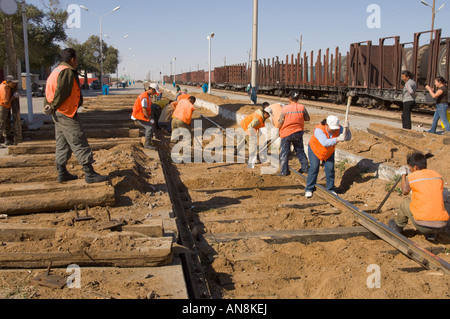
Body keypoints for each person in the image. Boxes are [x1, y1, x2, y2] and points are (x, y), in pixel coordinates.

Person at [44, 48, 109, 184]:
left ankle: (62, 172)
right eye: (77, 59)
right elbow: (62, 91)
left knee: (62, 143)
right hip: (65, 112)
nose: (77, 62)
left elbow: (49, 91)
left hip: (59, 113)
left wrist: (49, 105)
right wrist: (54, 105)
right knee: (78, 140)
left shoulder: (55, 71)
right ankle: (89, 173)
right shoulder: (67, 72)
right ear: (72, 59)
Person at [388, 152, 449, 242]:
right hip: (441, 226)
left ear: (415, 167)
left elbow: (404, 191)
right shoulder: (438, 176)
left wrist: (404, 175)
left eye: (410, 168)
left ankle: (398, 227)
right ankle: (431, 234)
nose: (410, 170)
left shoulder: (413, 176)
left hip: (422, 226)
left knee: (405, 203)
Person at [304, 116, 351, 198]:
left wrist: (347, 130)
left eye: (335, 129)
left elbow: (348, 138)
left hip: (328, 152)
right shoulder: (319, 130)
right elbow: (325, 143)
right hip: (315, 150)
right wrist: (337, 139)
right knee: (314, 168)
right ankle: (309, 188)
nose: (333, 131)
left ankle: (330, 188)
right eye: (332, 129)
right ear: (327, 125)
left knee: (330, 169)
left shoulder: (339, 128)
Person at [276, 92, 310, 176]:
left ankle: (284, 172)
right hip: (298, 132)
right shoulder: (302, 107)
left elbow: (280, 121)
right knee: (300, 151)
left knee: (284, 153)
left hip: (286, 133)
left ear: (290, 98)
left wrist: (278, 130)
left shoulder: (285, 108)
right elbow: (307, 118)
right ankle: (305, 168)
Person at [132, 83, 161, 150]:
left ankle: (149, 139)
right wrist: (149, 119)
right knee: (149, 127)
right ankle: (147, 144)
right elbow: (144, 110)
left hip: (141, 115)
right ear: (151, 89)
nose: (154, 93)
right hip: (139, 116)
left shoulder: (147, 96)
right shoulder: (144, 97)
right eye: (154, 91)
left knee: (151, 125)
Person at [0, 75, 18, 146]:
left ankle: (7, 140)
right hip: (2, 107)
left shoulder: (8, 87)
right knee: (1, 124)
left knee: (7, 123)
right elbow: (6, 102)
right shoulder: (3, 88)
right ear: (8, 82)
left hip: (6, 107)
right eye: (13, 83)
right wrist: (13, 97)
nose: (14, 84)